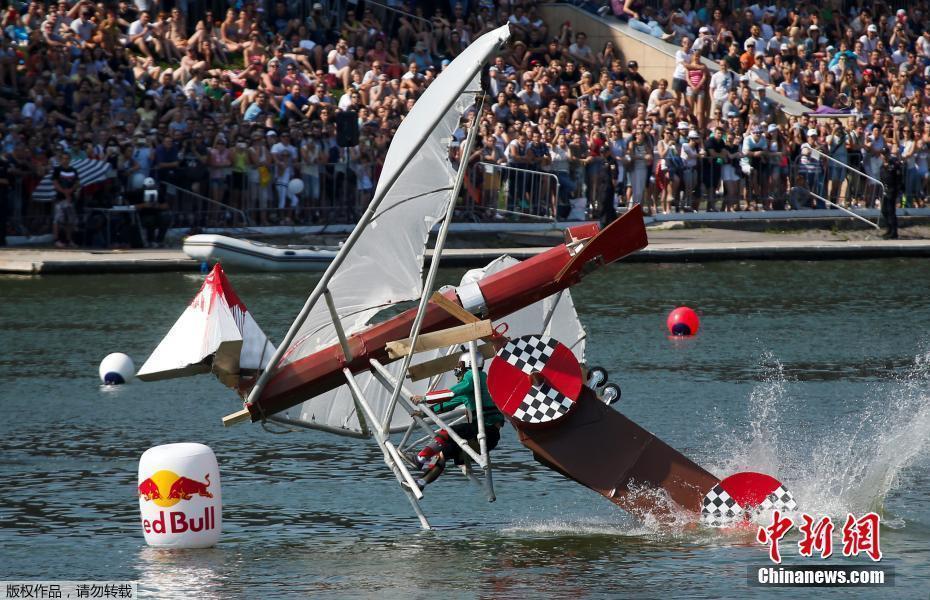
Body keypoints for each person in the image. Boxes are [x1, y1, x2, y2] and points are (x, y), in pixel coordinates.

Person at [406, 353, 505, 492]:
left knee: (449, 431)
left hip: (484, 431)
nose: (458, 369)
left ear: (468, 364)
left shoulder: (474, 376)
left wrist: (425, 398)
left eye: (460, 365)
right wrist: (424, 413)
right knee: (442, 455)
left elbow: (451, 393)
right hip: (481, 438)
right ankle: (420, 483)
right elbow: (449, 403)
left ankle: (420, 458)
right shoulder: (477, 386)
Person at [881, 149, 901, 239]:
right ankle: (889, 229)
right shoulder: (882, 166)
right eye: (883, 154)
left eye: (885, 154)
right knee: (884, 210)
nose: (884, 156)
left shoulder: (893, 164)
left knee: (891, 211)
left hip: (892, 190)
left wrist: (897, 189)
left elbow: (899, 177)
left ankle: (894, 232)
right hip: (885, 190)